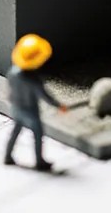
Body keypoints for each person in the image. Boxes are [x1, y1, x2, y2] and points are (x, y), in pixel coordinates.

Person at [4, 33, 69, 171]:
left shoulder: (12, 73)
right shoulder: (33, 81)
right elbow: (45, 96)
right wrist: (59, 106)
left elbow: (10, 91)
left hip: (16, 108)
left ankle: (7, 156)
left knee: (15, 132)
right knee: (38, 134)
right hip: (30, 111)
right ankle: (39, 161)